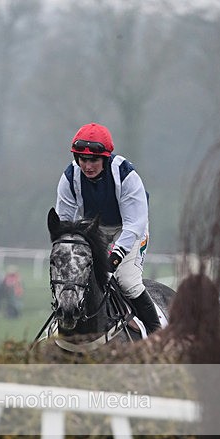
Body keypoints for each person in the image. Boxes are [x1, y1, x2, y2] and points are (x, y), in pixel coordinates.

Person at [55, 122, 161, 334]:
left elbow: (134, 224)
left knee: (127, 281)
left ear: (105, 158)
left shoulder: (126, 175)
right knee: (75, 278)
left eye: (93, 160)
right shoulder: (70, 176)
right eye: (83, 159)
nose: (88, 166)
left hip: (129, 229)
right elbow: (64, 221)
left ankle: (158, 333)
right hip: (94, 230)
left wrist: (112, 261)